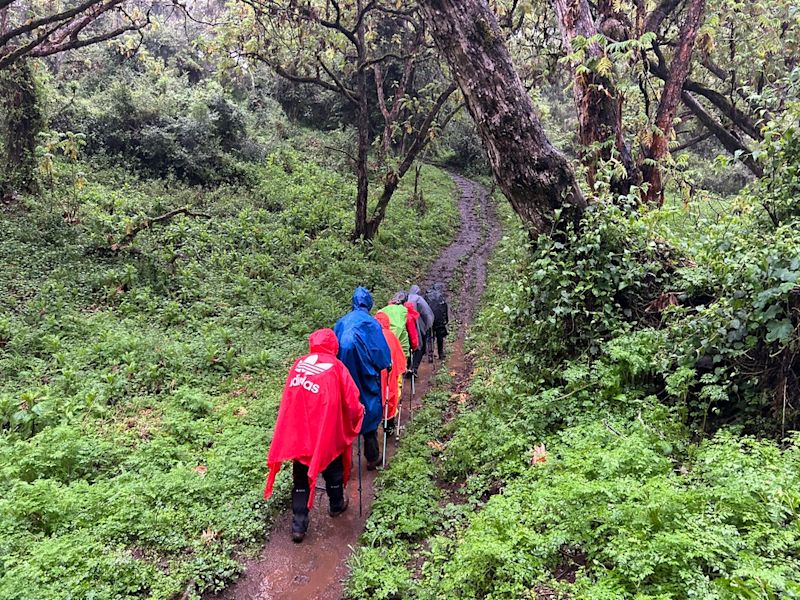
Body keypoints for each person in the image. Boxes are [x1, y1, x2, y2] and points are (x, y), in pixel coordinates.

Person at [264, 328, 364, 543]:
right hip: (326, 429)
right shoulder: (337, 367)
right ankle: (336, 504)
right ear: (333, 346)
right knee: (333, 468)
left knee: (300, 474)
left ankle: (298, 526)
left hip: (299, 431)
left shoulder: (299, 364)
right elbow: (351, 399)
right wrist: (359, 413)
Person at [334, 287, 392, 471]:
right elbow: (381, 354)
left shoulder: (341, 323)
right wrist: (384, 364)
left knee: (345, 412)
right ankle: (372, 457)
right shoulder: (371, 323)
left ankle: (345, 465)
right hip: (365, 374)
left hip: (343, 374)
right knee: (369, 408)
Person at [375, 311, 407, 436]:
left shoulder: (369, 335)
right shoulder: (391, 336)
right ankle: (388, 426)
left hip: (375, 374)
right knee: (391, 395)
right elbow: (399, 358)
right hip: (390, 372)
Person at [408, 284, 434, 372]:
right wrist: (428, 326)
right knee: (420, 347)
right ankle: (414, 368)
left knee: (409, 347)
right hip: (418, 326)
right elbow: (427, 313)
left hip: (406, 326)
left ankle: (407, 367)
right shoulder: (419, 299)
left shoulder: (405, 298)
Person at [425, 282, 449, 360]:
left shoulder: (427, 296)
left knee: (429, 336)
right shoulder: (440, 296)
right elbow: (444, 309)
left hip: (429, 318)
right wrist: (445, 319)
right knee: (440, 336)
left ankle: (429, 354)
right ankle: (441, 353)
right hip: (438, 320)